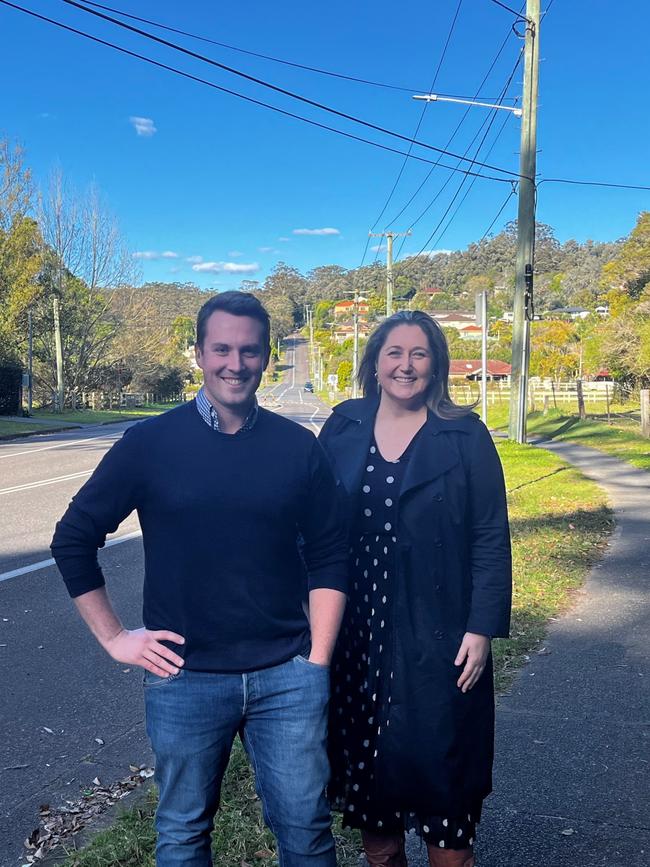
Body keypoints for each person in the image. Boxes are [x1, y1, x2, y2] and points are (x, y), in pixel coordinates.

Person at [51, 291, 348, 867]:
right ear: (198, 353)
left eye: (249, 351)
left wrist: (318, 661)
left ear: (267, 357)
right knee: (183, 833)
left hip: (287, 675)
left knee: (307, 830)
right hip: (185, 679)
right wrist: (116, 639)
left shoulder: (297, 448)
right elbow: (73, 539)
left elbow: (332, 552)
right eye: (221, 349)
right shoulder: (149, 444)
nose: (235, 364)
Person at [318, 310, 512, 867]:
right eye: (394, 353)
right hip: (357, 639)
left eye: (419, 353)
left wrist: (481, 627)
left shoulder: (464, 433)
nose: (406, 365)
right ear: (374, 364)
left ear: (437, 365)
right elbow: (313, 523)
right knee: (374, 812)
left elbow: (490, 536)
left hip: (441, 635)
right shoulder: (345, 425)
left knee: (445, 800)